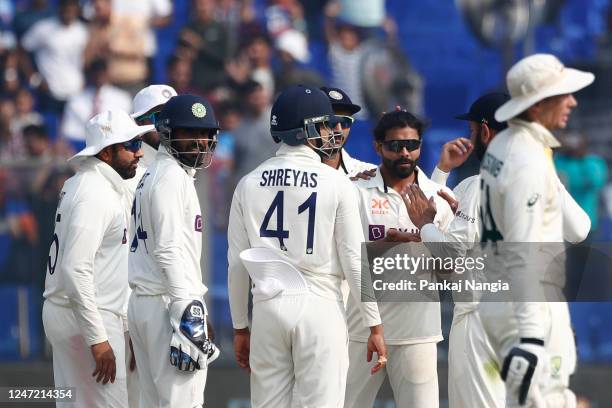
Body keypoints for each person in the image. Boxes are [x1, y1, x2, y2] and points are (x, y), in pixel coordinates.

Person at [227, 85, 387, 407]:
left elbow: (236, 265)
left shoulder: (248, 183)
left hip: (268, 307)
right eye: (326, 125)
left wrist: (240, 327)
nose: (332, 132)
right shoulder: (337, 182)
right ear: (309, 129)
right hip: (319, 305)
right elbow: (355, 260)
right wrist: (375, 323)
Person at [479, 54, 594, 407]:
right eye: (564, 94)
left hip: (514, 300)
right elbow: (521, 250)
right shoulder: (526, 159)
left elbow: (579, 228)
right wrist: (531, 335)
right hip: (526, 306)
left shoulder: (510, 147)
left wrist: (549, 176)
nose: (572, 101)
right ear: (538, 104)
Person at [42, 109, 152, 408]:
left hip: (79, 310)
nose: (139, 152)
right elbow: (75, 269)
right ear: (106, 153)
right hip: (87, 314)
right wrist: (98, 339)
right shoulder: (96, 193)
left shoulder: (86, 183)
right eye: (130, 145)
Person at [344, 109, 454, 408]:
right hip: (361, 330)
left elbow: (451, 270)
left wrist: (427, 230)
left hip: (418, 332)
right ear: (378, 147)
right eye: (394, 146)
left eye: (412, 145)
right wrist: (385, 243)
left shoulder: (438, 197)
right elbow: (344, 258)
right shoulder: (355, 191)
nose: (404, 153)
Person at [127, 94, 220, 408]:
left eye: (205, 134)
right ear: (167, 133)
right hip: (167, 304)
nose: (199, 142)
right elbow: (167, 250)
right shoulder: (170, 178)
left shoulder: (159, 174)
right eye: (188, 134)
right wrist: (187, 313)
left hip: (149, 302)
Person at [320, 86, 376, 176]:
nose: (339, 130)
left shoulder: (367, 173)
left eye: (345, 122)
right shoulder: (293, 169)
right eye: (331, 122)